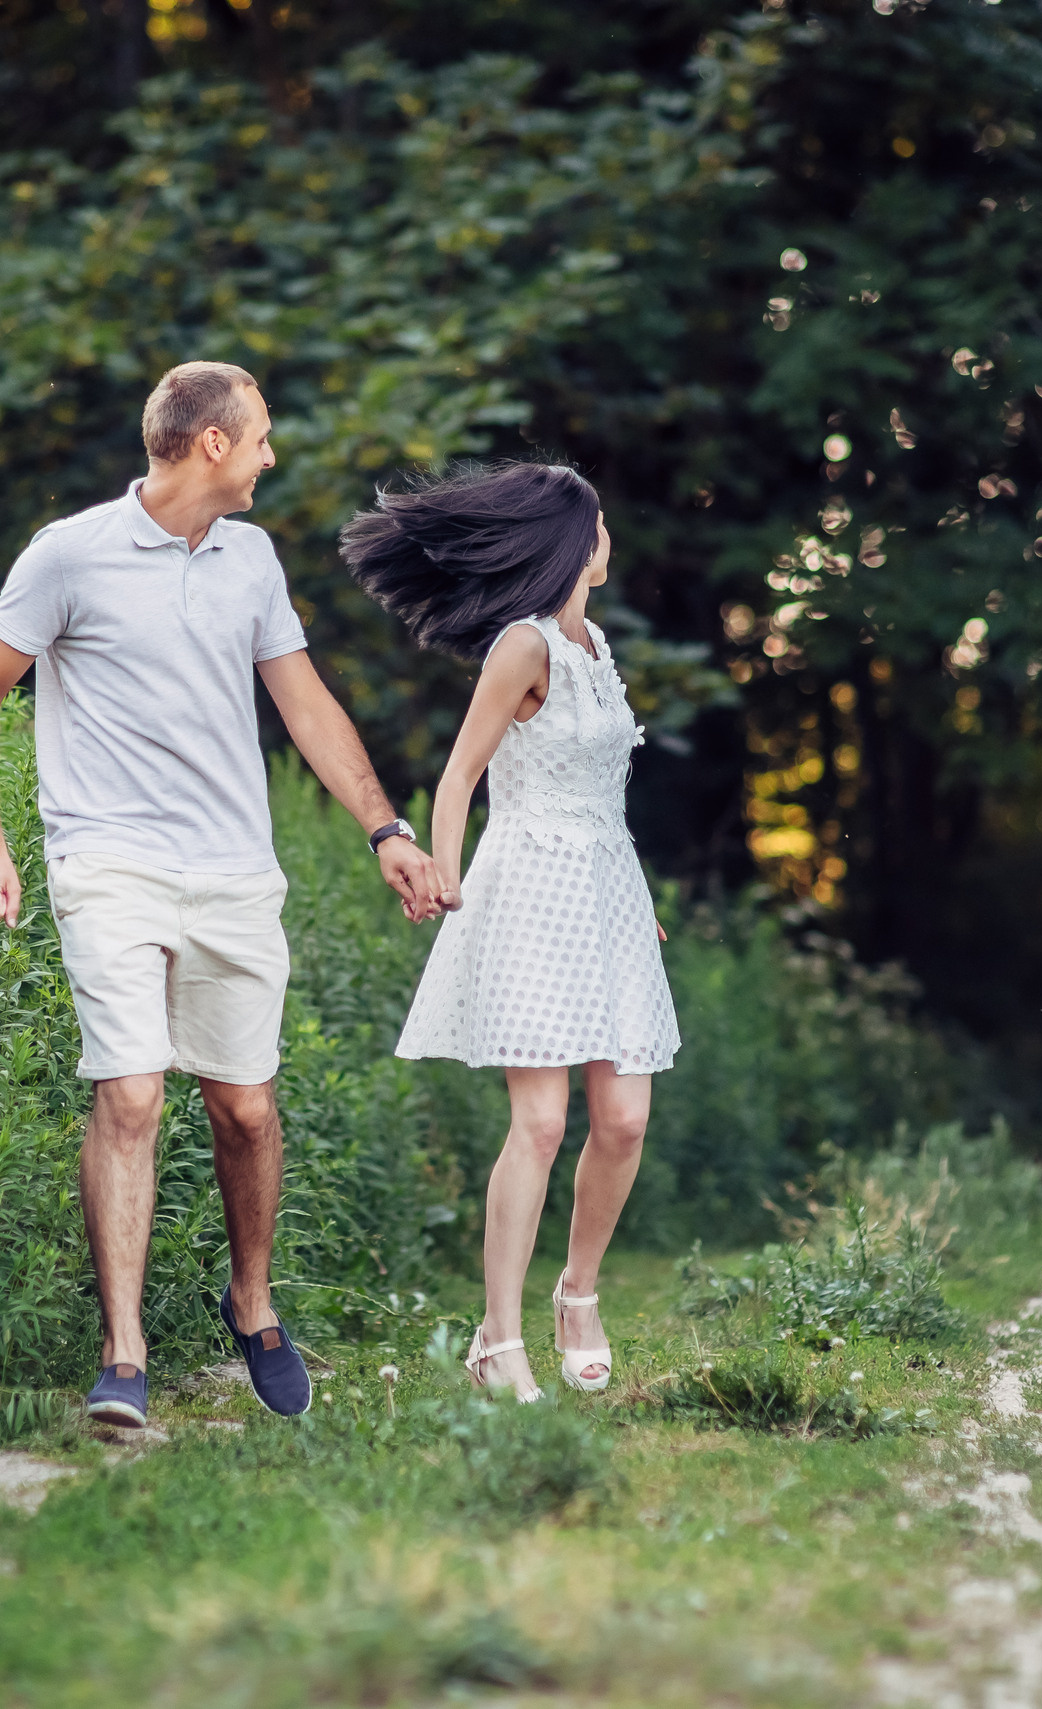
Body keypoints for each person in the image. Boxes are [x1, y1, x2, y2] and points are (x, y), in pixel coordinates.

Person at [0, 360, 441, 1428]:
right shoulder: (67, 553)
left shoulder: (251, 558)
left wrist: (385, 829)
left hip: (231, 871)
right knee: (129, 1093)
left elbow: (304, 704)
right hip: (108, 861)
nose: (270, 455)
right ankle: (121, 1353)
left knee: (245, 1107)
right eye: (260, 437)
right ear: (212, 442)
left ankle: (250, 1300)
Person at [340, 461, 679, 1402]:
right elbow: (459, 777)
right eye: (600, 521)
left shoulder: (597, 647)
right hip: (530, 889)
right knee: (540, 1121)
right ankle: (498, 1336)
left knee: (624, 1117)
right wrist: (442, 868)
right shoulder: (521, 647)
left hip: (607, 890)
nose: (609, 534)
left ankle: (577, 1295)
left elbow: (602, 793)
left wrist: (633, 892)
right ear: (575, 541)